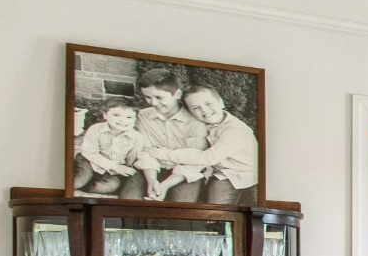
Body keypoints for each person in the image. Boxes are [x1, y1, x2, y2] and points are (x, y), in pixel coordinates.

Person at [143, 85, 260, 204]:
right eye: (196, 108)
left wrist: (166, 154)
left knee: (258, 207)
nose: (204, 110)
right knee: (214, 211)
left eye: (208, 103)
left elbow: (207, 158)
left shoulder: (234, 130)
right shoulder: (203, 125)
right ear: (190, 112)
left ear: (221, 102)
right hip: (224, 175)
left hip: (251, 174)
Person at [133, 69, 207, 201]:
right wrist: (152, 180)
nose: (153, 103)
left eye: (159, 97)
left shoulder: (197, 121)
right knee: (129, 198)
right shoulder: (143, 117)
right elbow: (145, 151)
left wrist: (165, 185)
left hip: (186, 171)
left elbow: (198, 158)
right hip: (151, 168)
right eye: (148, 97)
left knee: (182, 204)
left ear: (177, 94)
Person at [73, 100, 148, 196]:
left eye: (129, 117)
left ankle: (88, 186)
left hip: (113, 171)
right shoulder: (96, 129)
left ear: (135, 119)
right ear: (105, 115)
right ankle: (81, 181)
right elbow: (89, 153)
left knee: (111, 185)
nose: (123, 120)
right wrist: (114, 166)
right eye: (116, 115)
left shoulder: (137, 138)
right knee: (79, 180)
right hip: (88, 161)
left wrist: (121, 171)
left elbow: (130, 161)